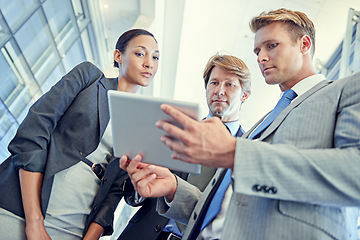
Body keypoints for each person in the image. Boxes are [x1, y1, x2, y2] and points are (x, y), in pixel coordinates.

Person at [121, 8, 360, 240]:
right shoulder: (262, 124)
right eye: (257, 50)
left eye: (272, 45)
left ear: (304, 45)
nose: (261, 57)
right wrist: (173, 188)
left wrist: (236, 154)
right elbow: (226, 210)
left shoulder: (346, 90)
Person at [0, 28, 159, 240]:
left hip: (74, 228)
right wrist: (35, 222)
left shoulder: (141, 127)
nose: (149, 63)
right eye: (140, 53)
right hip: (22, 209)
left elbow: (114, 193)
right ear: (118, 55)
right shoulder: (89, 78)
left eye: (155, 57)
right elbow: (33, 133)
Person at [117, 53, 250, 240]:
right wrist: (139, 174)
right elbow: (133, 198)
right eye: (214, 83)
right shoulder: (173, 131)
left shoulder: (246, 154)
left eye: (229, 84)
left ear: (244, 94)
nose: (219, 90)